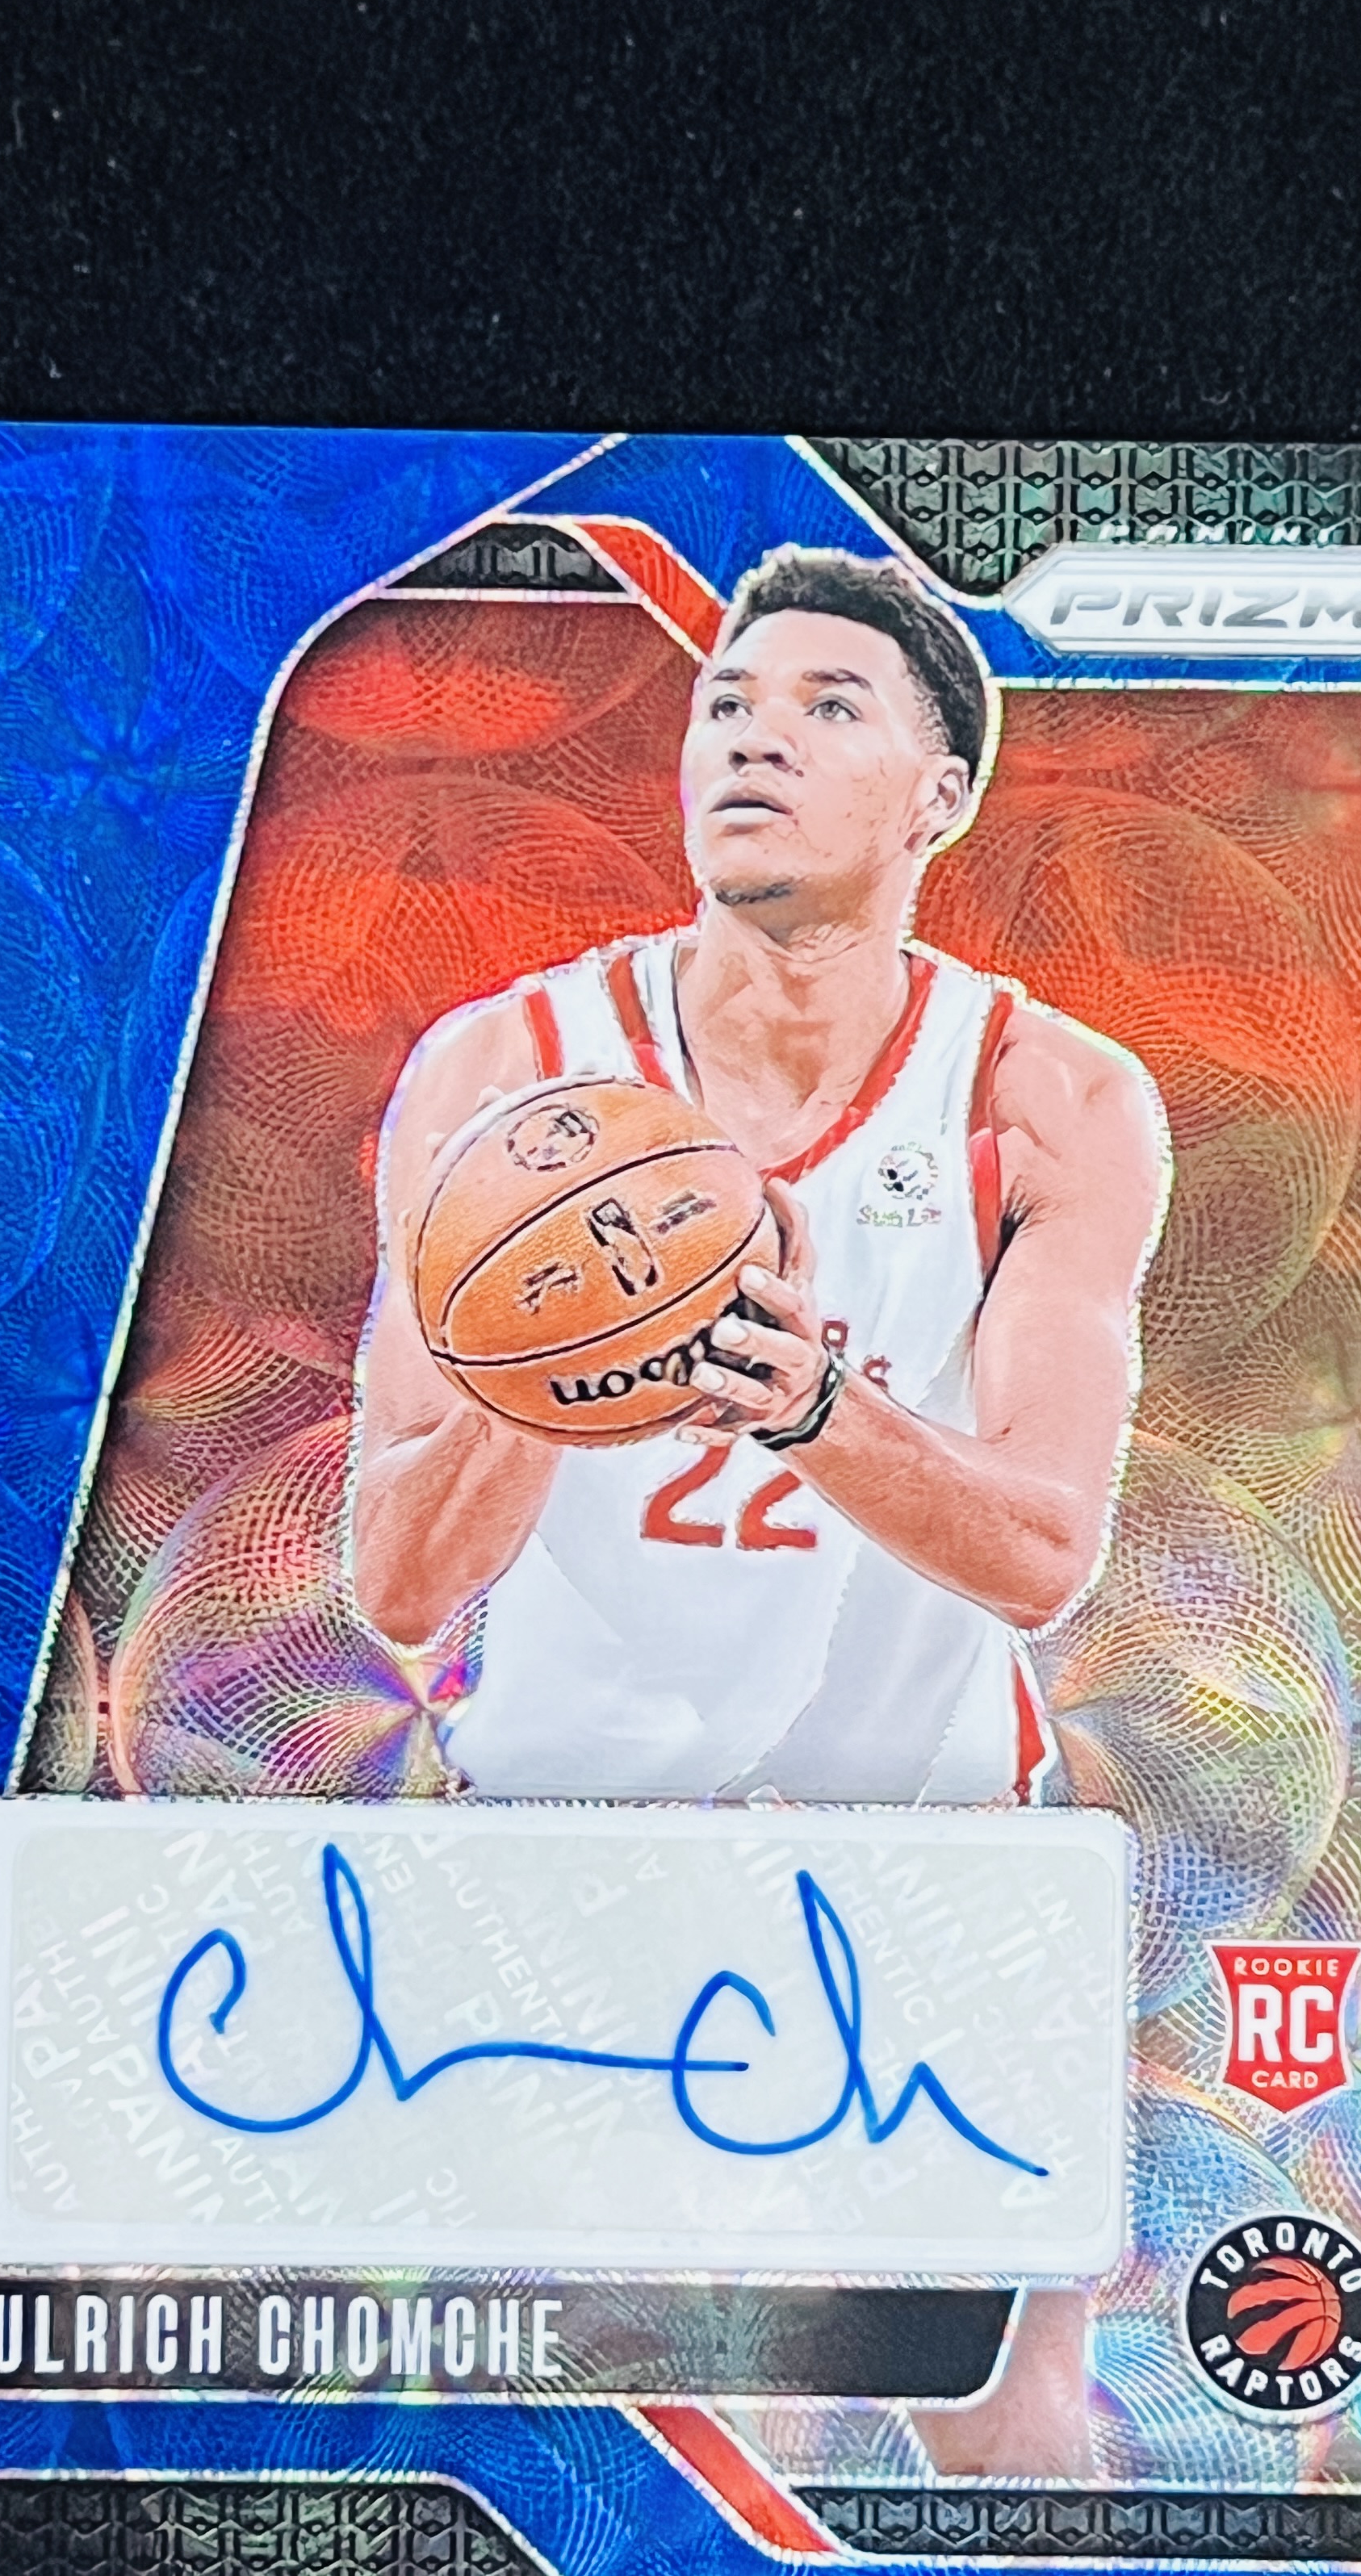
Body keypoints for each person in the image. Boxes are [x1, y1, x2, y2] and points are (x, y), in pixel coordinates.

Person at [350, 546, 1169, 2474]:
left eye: (826, 707)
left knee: (1020, 2446)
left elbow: (1045, 1556)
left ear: (937, 796)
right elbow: (396, 1580)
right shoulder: (506, 1075)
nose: (753, 738)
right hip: (576, 1858)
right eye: (726, 703)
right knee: (671, 2467)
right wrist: (548, 1375)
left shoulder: (1047, 1097)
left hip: (929, 1856)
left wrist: (806, 1402)